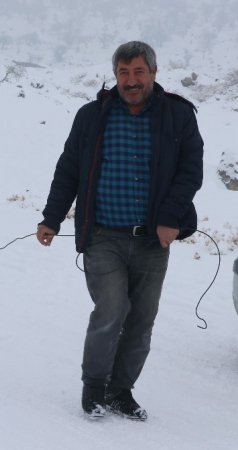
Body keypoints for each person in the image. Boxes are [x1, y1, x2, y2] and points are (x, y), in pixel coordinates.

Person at [36, 41, 203, 420]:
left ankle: (120, 390)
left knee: (142, 320)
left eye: (138, 72)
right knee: (111, 310)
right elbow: (69, 170)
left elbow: (190, 171)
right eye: (124, 73)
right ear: (115, 76)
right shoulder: (92, 116)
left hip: (152, 239)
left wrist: (170, 219)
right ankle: (94, 388)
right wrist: (52, 217)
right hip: (103, 236)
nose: (131, 80)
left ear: (154, 73)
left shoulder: (178, 116)